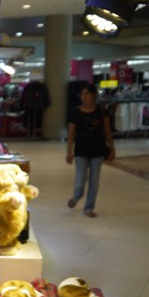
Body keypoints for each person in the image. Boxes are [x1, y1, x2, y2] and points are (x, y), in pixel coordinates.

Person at [66, 83, 115, 218]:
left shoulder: (101, 111)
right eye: (82, 94)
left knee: (94, 182)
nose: (84, 97)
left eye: (87, 93)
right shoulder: (76, 113)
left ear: (94, 95)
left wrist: (112, 148)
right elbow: (71, 134)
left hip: (98, 151)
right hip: (81, 151)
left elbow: (107, 131)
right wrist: (69, 152)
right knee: (80, 181)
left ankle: (89, 208)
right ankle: (77, 196)